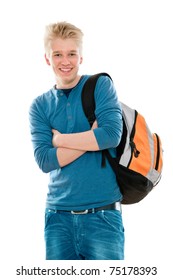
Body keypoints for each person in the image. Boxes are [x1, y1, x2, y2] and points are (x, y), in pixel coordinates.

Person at [29, 21, 124, 260]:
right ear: (47, 59)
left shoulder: (100, 85)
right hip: (57, 218)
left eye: (72, 53)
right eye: (58, 54)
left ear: (81, 57)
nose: (65, 61)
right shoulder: (40, 106)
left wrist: (60, 141)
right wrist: (91, 139)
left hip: (103, 215)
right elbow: (45, 161)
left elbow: (111, 136)